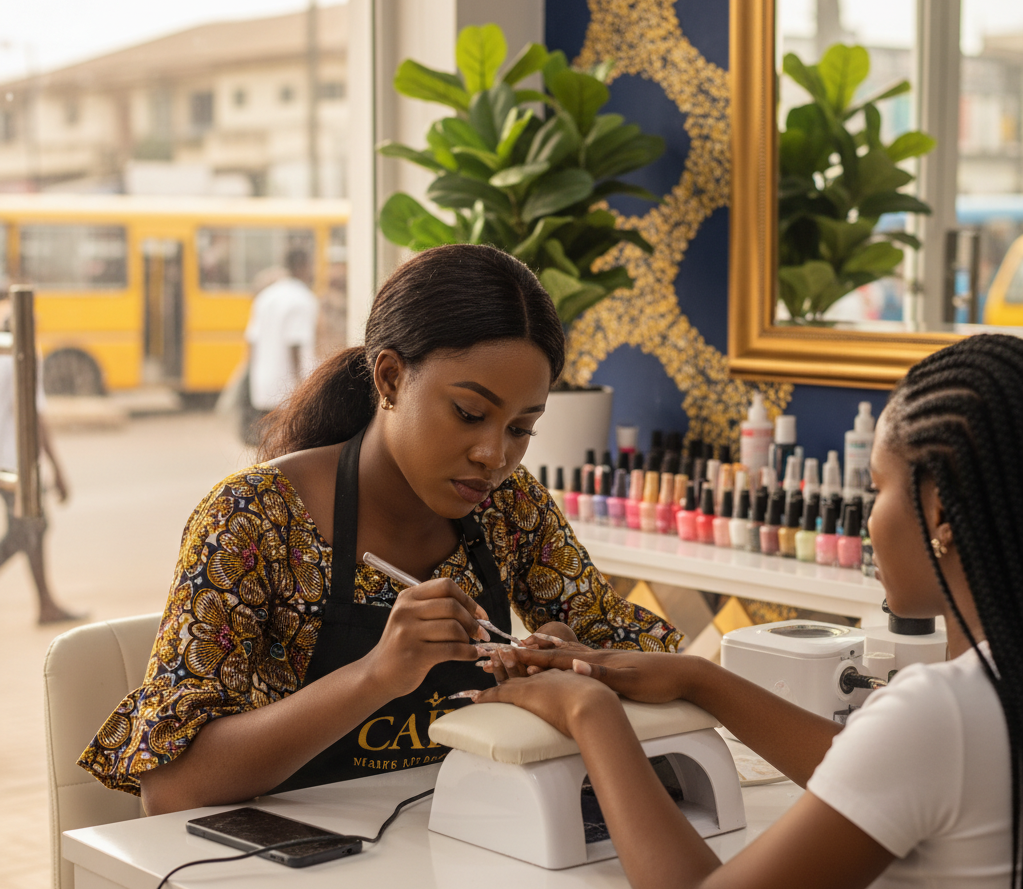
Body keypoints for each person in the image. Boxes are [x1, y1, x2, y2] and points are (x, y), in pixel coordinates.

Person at [470, 331, 1023, 889]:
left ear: (938, 510)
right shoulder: (969, 708)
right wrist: (699, 679)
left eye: (878, 490)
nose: (871, 519)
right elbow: (891, 773)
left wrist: (592, 713)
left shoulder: (944, 712)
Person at [79, 245, 684, 814]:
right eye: (470, 414)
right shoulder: (254, 518)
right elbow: (170, 786)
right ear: (390, 379)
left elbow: (650, 650)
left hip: (461, 839)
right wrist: (376, 675)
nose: (493, 455)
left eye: (521, 428)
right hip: (287, 876)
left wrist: (579, 661)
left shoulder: (508, 508)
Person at [0, 315, 79, 625]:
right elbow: (36, 416)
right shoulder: (25, 355)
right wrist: (58, 469)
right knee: (27, 530)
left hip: (9, 460)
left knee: (33, 529)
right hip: (16, 460)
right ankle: (46, 604)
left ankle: (46, 604)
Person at [244, 247, 319, 430]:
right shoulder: (302, 298)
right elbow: (295, 343)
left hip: (263, 387)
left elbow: (251, 341)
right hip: (288, 389)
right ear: (303, 266)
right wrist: (303, 388)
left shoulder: (265, 296)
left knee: (269, 442)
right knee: (288, 443)